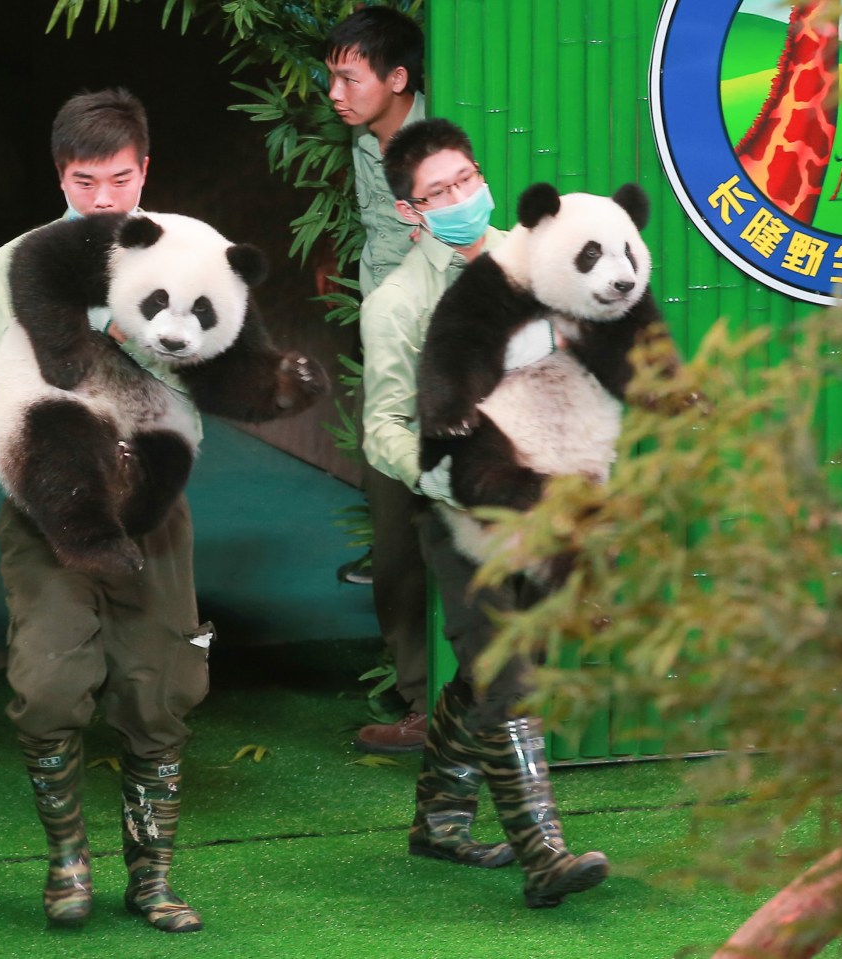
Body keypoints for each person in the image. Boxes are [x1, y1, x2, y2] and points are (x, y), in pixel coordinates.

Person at [0, 88, 208, 935]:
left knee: (161, 687)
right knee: (49, 684)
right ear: (59, 174)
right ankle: (68, 859)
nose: (103, 197)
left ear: (147, 169)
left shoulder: (185, 252)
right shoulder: (17, 261)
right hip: (49, 510)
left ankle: (154, 874)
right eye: (84, 178)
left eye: (120, 177)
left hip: (152, 505)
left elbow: (218, 368)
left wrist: (139, 343)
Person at [361, 117, 609, 906]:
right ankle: (545, 855)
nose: (461, 198)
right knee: (504, 659)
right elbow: (382, 427)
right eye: (438, 192)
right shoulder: (399, 303)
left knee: (492, 658)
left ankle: (438, 819)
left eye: (466, 179)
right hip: (459, 507)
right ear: (410, 209)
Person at [322, 6, 433, 753]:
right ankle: (421, 700)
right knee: (395, 537)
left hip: (457, 361)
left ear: (397, 79)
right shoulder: (367, 145)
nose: (333, 91)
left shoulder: (449, 140)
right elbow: (383, 246)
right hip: (394, 360)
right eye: (331, 75)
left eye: (347, 76)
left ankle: (490, 706)